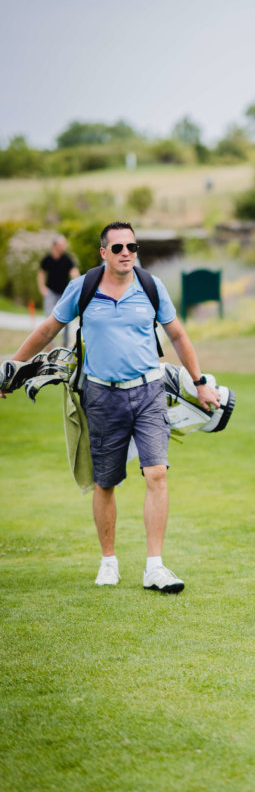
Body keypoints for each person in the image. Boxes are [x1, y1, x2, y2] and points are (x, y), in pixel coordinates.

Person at [2, 221, 221, 594]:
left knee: (157, 474)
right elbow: (46, 331)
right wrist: (11, 371)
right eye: (118, 248)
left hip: (149, 392)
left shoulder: (151, 287)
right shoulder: (83, 288)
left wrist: (199, 383)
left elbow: (178, 334)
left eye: (132, 247)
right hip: (102, 396)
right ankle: (109, 561)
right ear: (103, 252)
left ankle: (155, 566)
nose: (126, 254)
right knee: (106, 481)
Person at [38, 234, 80, 346]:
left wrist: (77, 287)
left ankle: (65, 344)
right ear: (55, 245)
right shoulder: (47, 259)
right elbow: (41, 274)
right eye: (63, 244)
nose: (65, 246)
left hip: (64, 294)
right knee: (48, 318)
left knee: (65, 319)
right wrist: (42, 288)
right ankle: (50, 345)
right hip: (51, 293)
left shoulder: (67, 259)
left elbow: (74, 273)